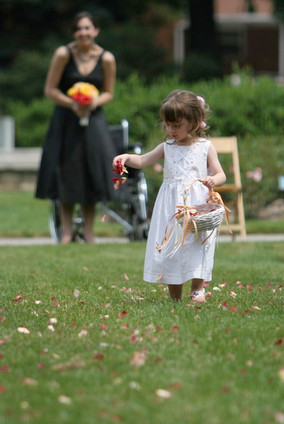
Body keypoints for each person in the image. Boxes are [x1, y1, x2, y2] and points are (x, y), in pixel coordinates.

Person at [112, 90, 226, 302]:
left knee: (197, 244)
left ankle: (197, 290)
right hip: (172, 207)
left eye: (176, 125)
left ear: (194, 121)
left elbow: (221, 174)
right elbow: (143, 160)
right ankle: (175, 295)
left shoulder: (205, 148)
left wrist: (213, 180)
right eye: (168, 124)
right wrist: (127, 157)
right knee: (174, 247)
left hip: (196, 206)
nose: (171, 130)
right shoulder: (167, 147)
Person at [36, 11, 116, 244]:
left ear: (96, 31)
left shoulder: (107, 59)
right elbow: (50, 90)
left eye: (87, 28)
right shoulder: (63, 54)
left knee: (91, 173)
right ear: (74, 33)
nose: (83, 33)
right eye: (79, 29)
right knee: (67, 173)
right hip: (66, 120)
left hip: (93, 121)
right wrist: (73, 103)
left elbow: (109, 93)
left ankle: (89, 233)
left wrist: (92, 103)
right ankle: (67, 233)